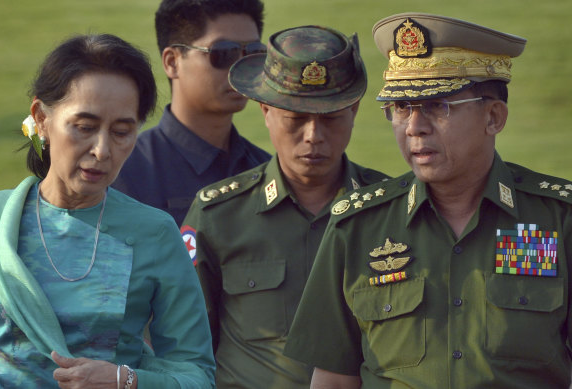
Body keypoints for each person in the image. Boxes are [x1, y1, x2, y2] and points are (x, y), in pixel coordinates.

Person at [284, 13, 572, 389]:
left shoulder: (557, 220)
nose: (414, 126)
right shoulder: (356, 226)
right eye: (401, 107)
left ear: (494, 117)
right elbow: (334, 380)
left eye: (438, 106)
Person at [0, 34, 215, 388]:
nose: (102, 150)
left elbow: (196, 375)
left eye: (122, 131)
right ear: (41, 119)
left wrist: (127, 380)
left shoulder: (153, 233)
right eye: (85, 127)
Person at [182, 25, 390, 388]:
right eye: (296, 119)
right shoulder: (217, 216)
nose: (313, 136)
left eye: (330, 118)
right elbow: (184, 341)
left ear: (354, 110)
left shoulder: (391, 211)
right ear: (266, 110)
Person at [112, 0, 271, 227]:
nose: (241, 67)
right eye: (224, 53)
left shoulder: (267, 170)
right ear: (173, 62)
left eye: (253, 53)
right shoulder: (123, 172)